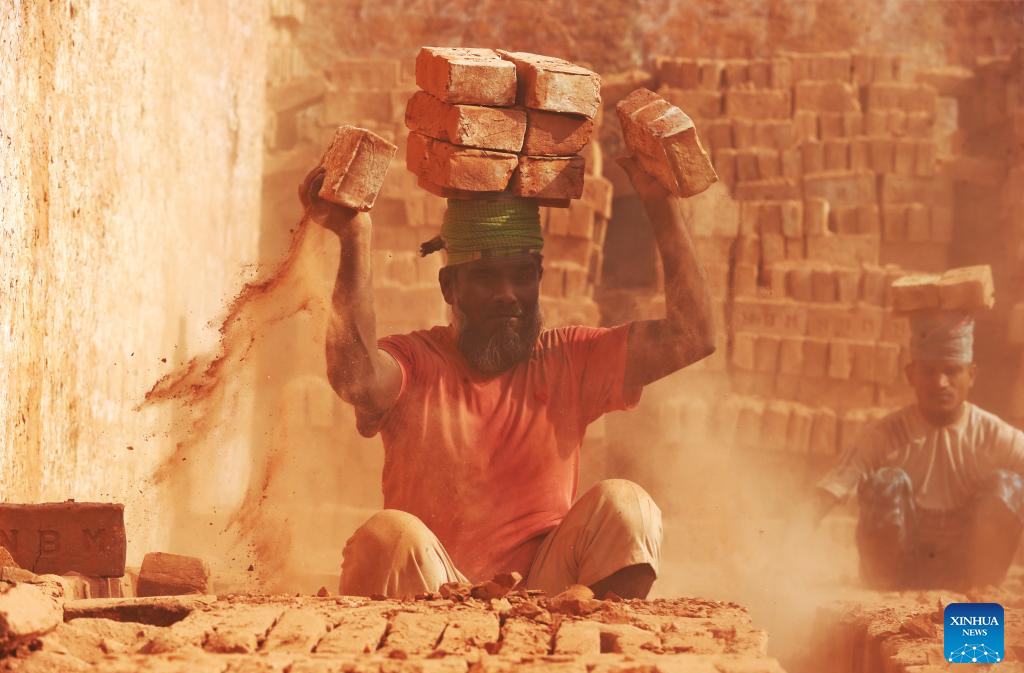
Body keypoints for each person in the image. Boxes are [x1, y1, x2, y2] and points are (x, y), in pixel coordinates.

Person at [297, 151, 715, 600]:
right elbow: (356, 380)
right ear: (449, 287)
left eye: (521, 276)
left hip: (543, 594)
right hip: (434, 592)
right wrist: (354, 235)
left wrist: (659, 201)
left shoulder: (570, 359)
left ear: (539, 277)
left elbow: (691, 337)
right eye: (484, 278)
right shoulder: (416, 360)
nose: (507, 295)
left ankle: (596, 653)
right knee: (389, 534)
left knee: (627, 506)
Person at [813, 310, 1024, 590]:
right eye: (929, 371)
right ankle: (885, 597)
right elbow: (826, 494)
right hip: (901, 572)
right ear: (911, 375)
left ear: (971, 375)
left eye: (952, 371)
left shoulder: (992, 433)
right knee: (886, 483)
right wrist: (781, 550)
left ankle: (978, 602)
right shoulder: (884, 434)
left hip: (967, 574)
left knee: (1009, 487)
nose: (940, 383)